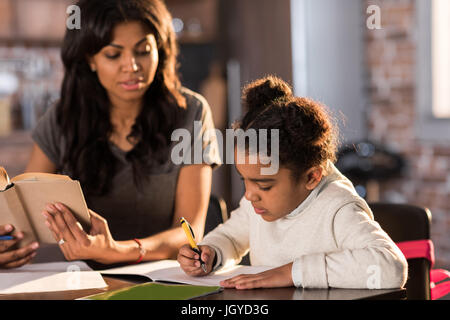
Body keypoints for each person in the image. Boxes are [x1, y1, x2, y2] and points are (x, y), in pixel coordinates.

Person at [0, 0, 220, 268]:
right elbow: (25, 214)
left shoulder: (191, 112)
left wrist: (117, 251)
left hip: (164, 278)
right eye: (113, 55)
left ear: (159, 52)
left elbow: (189, 231)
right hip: (82, 281)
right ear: (90, 59)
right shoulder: (63, 118)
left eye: (143, 51)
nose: (132, 66)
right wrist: (8, 243)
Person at [177, 76, 408, 289]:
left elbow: (390, 267)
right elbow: (230, 237)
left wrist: (292, 272)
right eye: (245, 180)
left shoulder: (338, 207)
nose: (249, 195)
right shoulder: (257, 202)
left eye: (264, 185)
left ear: (311, 177)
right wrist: (211, 253)